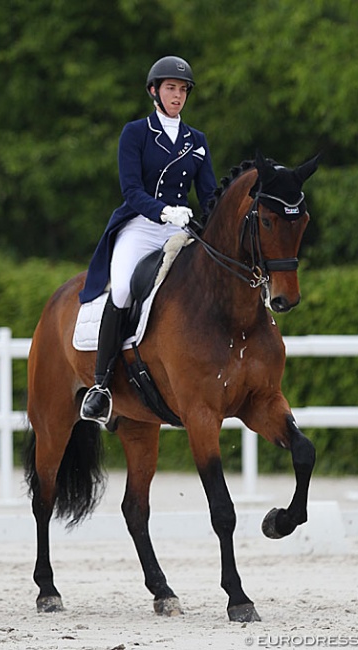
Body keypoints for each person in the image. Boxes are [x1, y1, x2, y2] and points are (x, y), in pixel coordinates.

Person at [79, 55, 217, 424]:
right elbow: (131, 189)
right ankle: (101, 385)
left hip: (181, 229)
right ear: (154, 91)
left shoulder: (196, 141)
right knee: (122, 289)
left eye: (183, 90)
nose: (177, 96)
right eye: (171, 88)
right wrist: (163, 211)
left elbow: (208, 197)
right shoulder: (136, 133)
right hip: (141, 225)